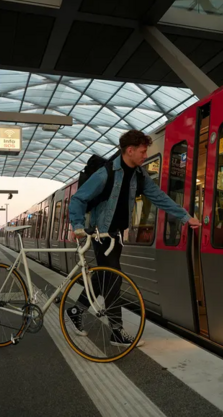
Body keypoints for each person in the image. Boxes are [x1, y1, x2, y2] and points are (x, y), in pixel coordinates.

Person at [68, 129, 201, 347]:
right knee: (113, 278)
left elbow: (159, 197)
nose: (145, 155)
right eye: (142, 151)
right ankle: (116, 332)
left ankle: (76, 310)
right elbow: (78, 199)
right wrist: (78, 225)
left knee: (102, 278)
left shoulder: (139, 175)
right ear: (129, 150)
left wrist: (185, 217)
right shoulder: (106, 173)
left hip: (116, 236)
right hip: (101, 235)